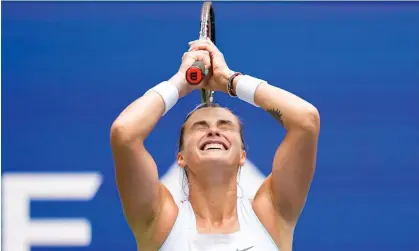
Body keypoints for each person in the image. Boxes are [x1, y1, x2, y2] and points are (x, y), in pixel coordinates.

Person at [110, 39, 320, 251]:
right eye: (200, 126)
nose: (213, 130)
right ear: (181, 156)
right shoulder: (159, 219)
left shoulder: (271, 213)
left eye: (225, 125)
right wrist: (180, 83)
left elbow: (306, 119)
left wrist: (230, 81)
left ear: (242, 155)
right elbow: (124, 132)